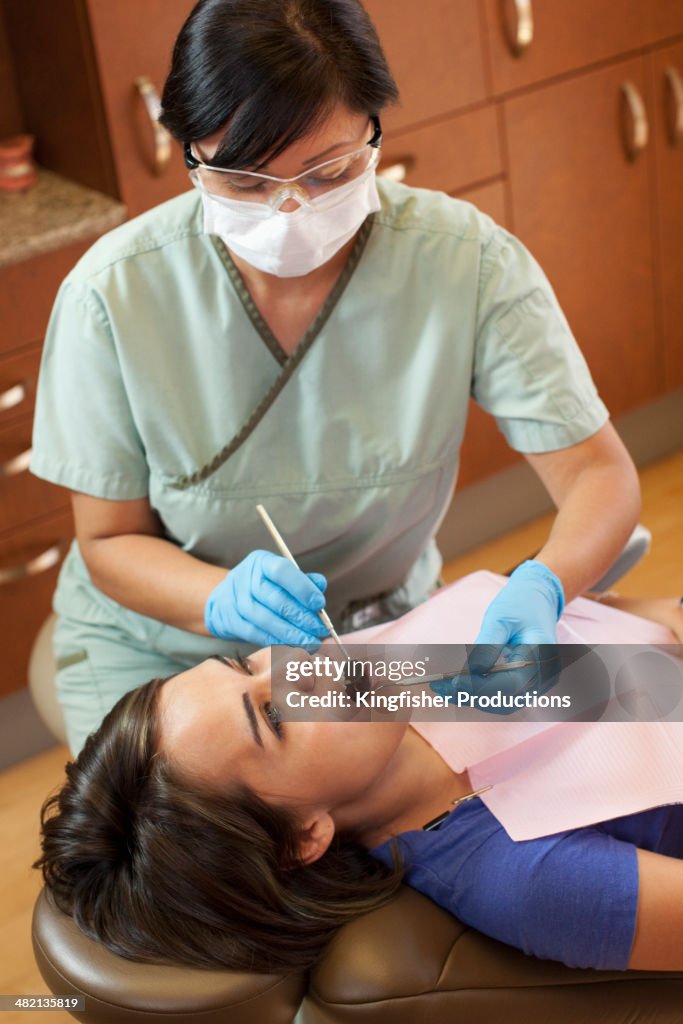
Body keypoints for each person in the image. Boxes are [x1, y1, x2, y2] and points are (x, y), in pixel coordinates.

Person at [30, 0, 641, 758]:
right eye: (246, 183)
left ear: (373, 133)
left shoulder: (464, 261)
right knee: (208, 854)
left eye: (330, 171)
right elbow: (109, 542)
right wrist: (216, 599)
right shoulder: (112, 295)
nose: (291, 210)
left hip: (369, 640)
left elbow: (596, 474)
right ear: (190, 153)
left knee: (559, 750)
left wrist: (543, 583)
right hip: (170, 658)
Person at [36, 584, 683, 976]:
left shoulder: (384, 686)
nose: (294, 667)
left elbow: (620, 624)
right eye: (270, 716)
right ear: (301, 837)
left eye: (243, 664)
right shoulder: (533, 883)